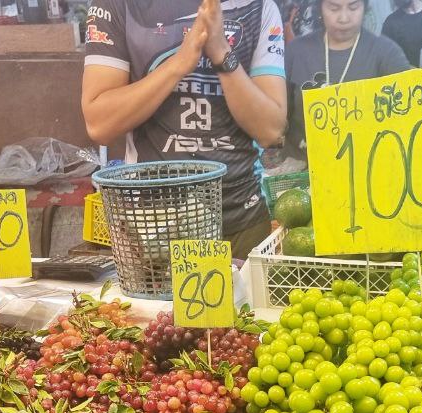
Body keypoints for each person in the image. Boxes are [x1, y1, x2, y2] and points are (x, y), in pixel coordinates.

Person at [82, 0, 288, 259]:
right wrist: (179, 64)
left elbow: (271, 131)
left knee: (245, 301)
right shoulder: (117, 5)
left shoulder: (259, 7)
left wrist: (222, 53)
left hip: (241, 217)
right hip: (152, 224)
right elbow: (99, 123)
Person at [284, 0, 410, 161]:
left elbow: (405, 117)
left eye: (353, 7)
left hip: (368, 167)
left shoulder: (386, 53)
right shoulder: (297, 51)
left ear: (365, 7)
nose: (344, 18)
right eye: (334, 8)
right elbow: (280, 115)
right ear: (320, 8)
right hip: (302, 167)